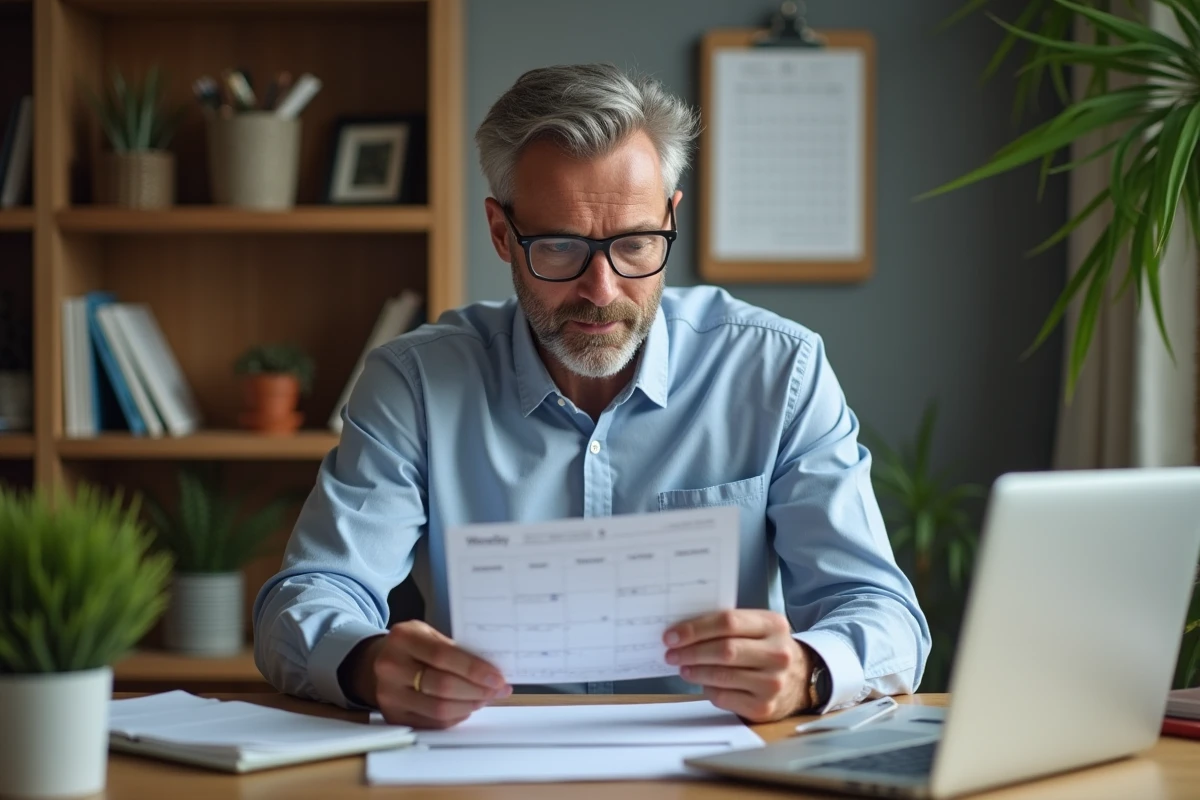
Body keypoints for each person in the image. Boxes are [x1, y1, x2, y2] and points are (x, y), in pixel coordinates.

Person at [254, 63, 929, 730]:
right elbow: (307, 599)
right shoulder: (415, 385)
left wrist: (808, 669)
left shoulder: (778, 371)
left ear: (671, 219)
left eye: (636, 245)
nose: (600, 291)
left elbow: (880, 611)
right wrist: (368, 663)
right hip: (486, 765)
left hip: (716, 763)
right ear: (501, 234)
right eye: (558, 248)